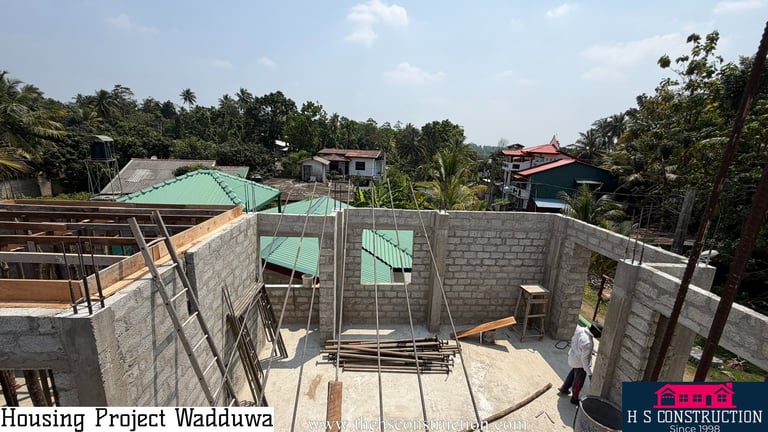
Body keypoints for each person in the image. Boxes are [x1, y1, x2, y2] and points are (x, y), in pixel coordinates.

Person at [558, 322, 602, 405]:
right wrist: (590, 374)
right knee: (578, 382)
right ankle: (574, 398)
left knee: (573, 374)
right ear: (595, 331)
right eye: (599, 334)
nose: (600, 336)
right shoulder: (588, 343)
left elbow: (575, 342)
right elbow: (585, 361)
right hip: (579, 363)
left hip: (572, 357)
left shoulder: (580, 329)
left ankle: (564, 388)